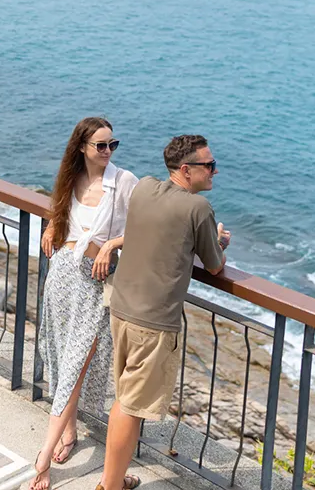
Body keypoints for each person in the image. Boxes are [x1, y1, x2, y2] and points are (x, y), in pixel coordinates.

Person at [95, 134, 231, 490]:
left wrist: (112, 242)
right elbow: (215, 265)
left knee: (125, 398)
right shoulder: (197, 209)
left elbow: (150, 229)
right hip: (153, 322)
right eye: (209, 165)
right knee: (130, 405)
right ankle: (109, 487)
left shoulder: (144, 188)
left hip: (122, 307)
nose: (215, 171)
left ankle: (115, 478)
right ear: (186, 170)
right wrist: (220, 241)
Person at [32, 117, 139, 490]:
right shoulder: (70, 177)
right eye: (101, 146)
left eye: (113, 144)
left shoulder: (124, 182)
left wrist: (111, 244)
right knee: (63, 354)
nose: (108, 152)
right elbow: (61, 214)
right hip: (62, 277)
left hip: (95, 285)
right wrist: (50, 227)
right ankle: (70, 429)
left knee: (78, 361)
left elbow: (144, 226)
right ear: (82, 147)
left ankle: (43, 456)